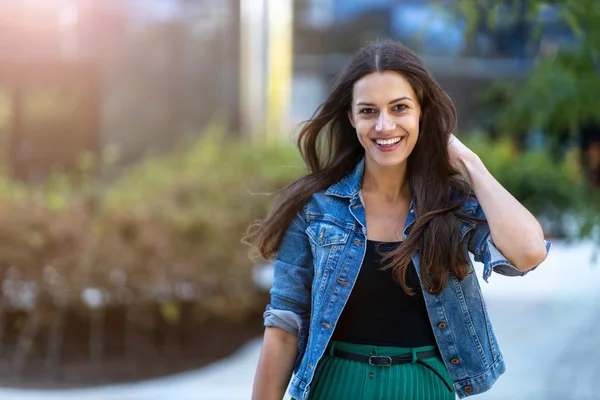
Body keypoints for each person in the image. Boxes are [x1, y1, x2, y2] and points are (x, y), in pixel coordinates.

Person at [246, 40, 551, 400]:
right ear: (351, 118)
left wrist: (468, 161)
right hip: (336, 387)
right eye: (369, 111)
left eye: (399, 107)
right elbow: (283, 327)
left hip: (422, 387)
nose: (384, 125)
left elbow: (529, 252)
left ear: (422, 111)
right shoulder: (315, 207)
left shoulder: (449, 203)